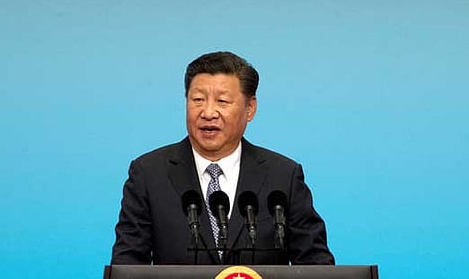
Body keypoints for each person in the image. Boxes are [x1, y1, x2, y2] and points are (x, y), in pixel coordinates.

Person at [111, 51, 335, 266]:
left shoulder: (283, 176)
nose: (208, 112)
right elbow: (127, 267)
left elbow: (316, 264)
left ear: (250, 108)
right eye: (197, 99)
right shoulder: (149, 174)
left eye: (222, 101)